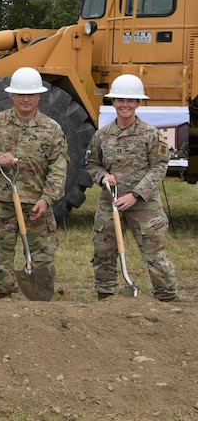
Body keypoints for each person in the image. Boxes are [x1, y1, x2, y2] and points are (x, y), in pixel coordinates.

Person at [0, 67, 68, 300]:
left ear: (39, 96)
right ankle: (5, 302)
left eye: (31, 94)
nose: (25, 99)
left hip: (37, 205)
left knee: (42, 258)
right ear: (12, 95)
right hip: (2, 203)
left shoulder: (52, 129)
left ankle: (41, 302)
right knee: (0, 258)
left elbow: (59, 167)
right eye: (20, 94)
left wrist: (47, 198)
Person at [86, 74, 178, 302]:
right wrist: (103, 176)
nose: (125, 105)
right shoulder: (102, 135)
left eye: (130, 100)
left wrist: (135, 195)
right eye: (120, 100)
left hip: (144, 206)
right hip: (111, 203)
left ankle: (167, 299)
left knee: (154, 255)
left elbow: (159, 168)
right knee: (103, 252)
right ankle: (106, 298)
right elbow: (92, 163)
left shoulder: (151, 135)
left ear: (137, 103)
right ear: (113, 102)